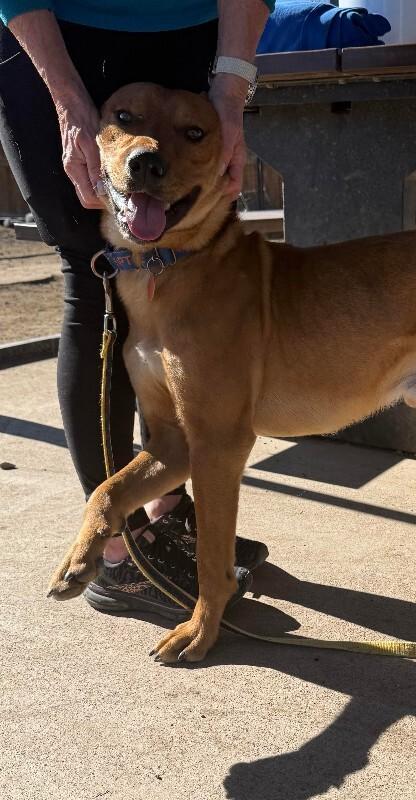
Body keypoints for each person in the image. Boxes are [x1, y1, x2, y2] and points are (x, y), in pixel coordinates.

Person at [0, 0, 274, 619]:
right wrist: (72, 109)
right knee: (89, 273)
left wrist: (230, 94)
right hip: (49, 33)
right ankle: (116, 551)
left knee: (185, 269)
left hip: (193, 27)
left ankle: (166, 512)